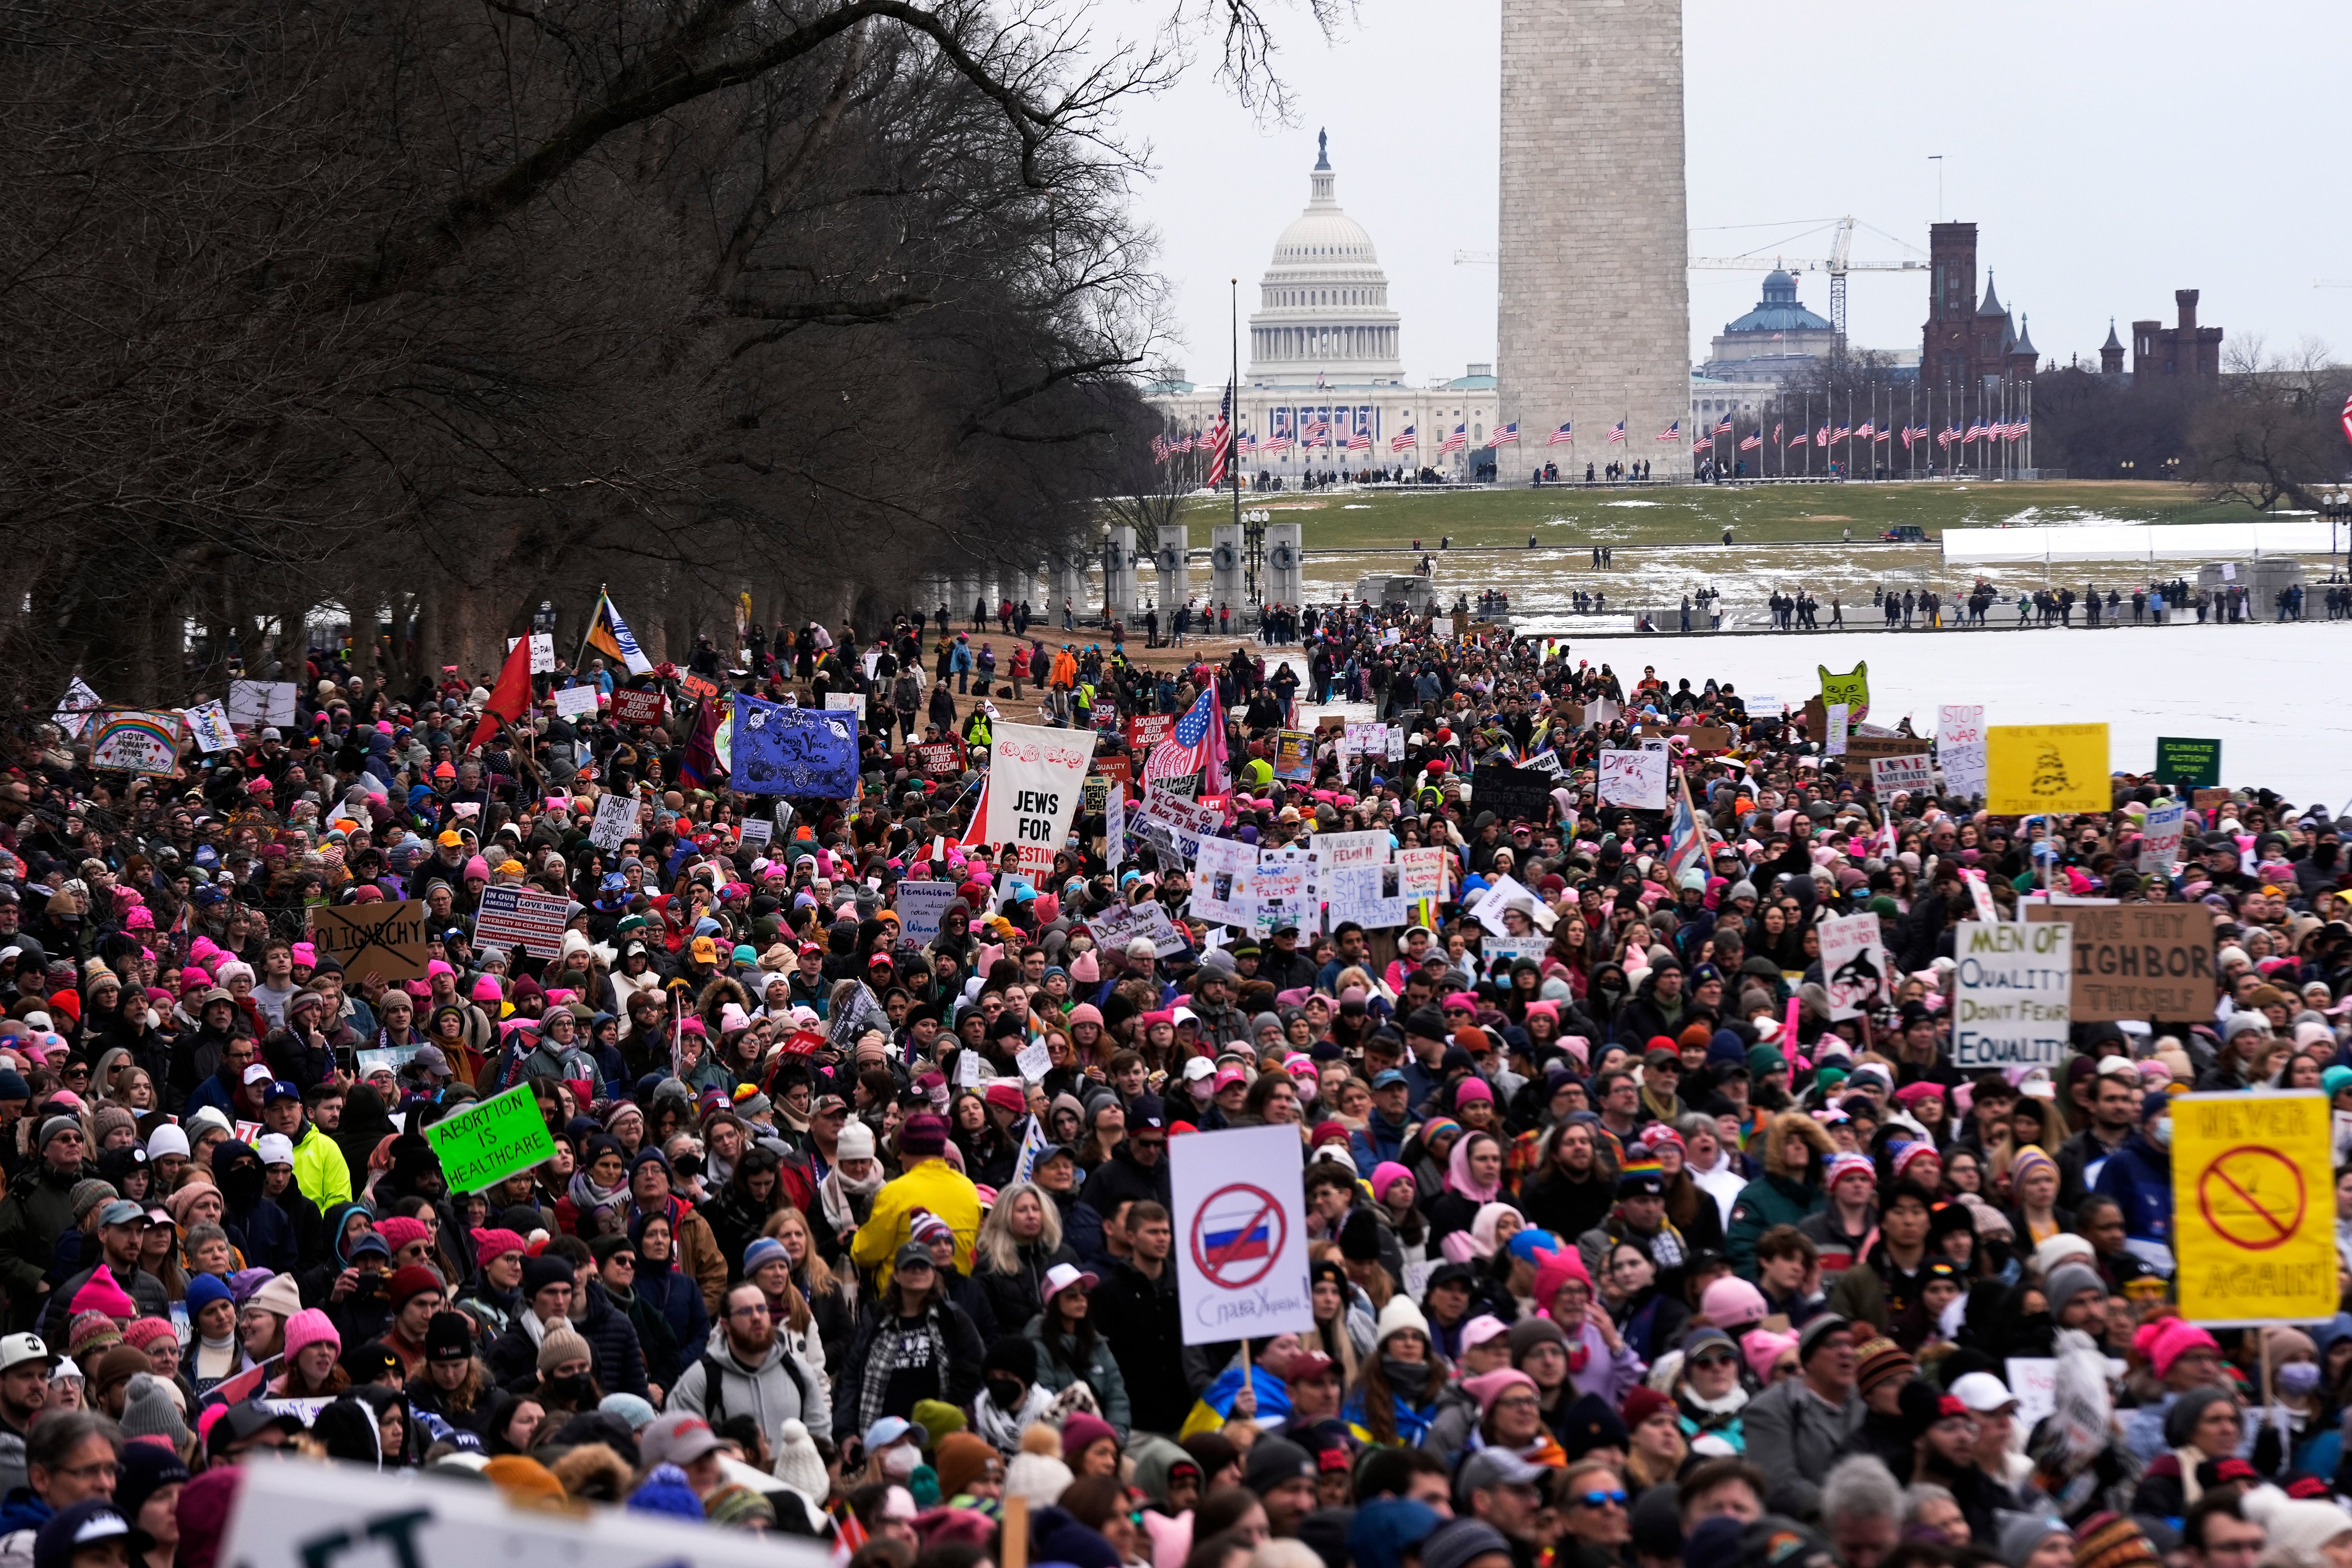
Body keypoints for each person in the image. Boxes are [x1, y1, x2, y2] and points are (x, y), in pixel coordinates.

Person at [1741, 1313, 1861, 1497]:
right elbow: (1778, 1483)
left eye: (1850, 1345)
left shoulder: (1867, 1401)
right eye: (1833, 1345)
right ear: (1808, 1361)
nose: (1846, 1352)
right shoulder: (1771, 1408)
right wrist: (1840, 1513)